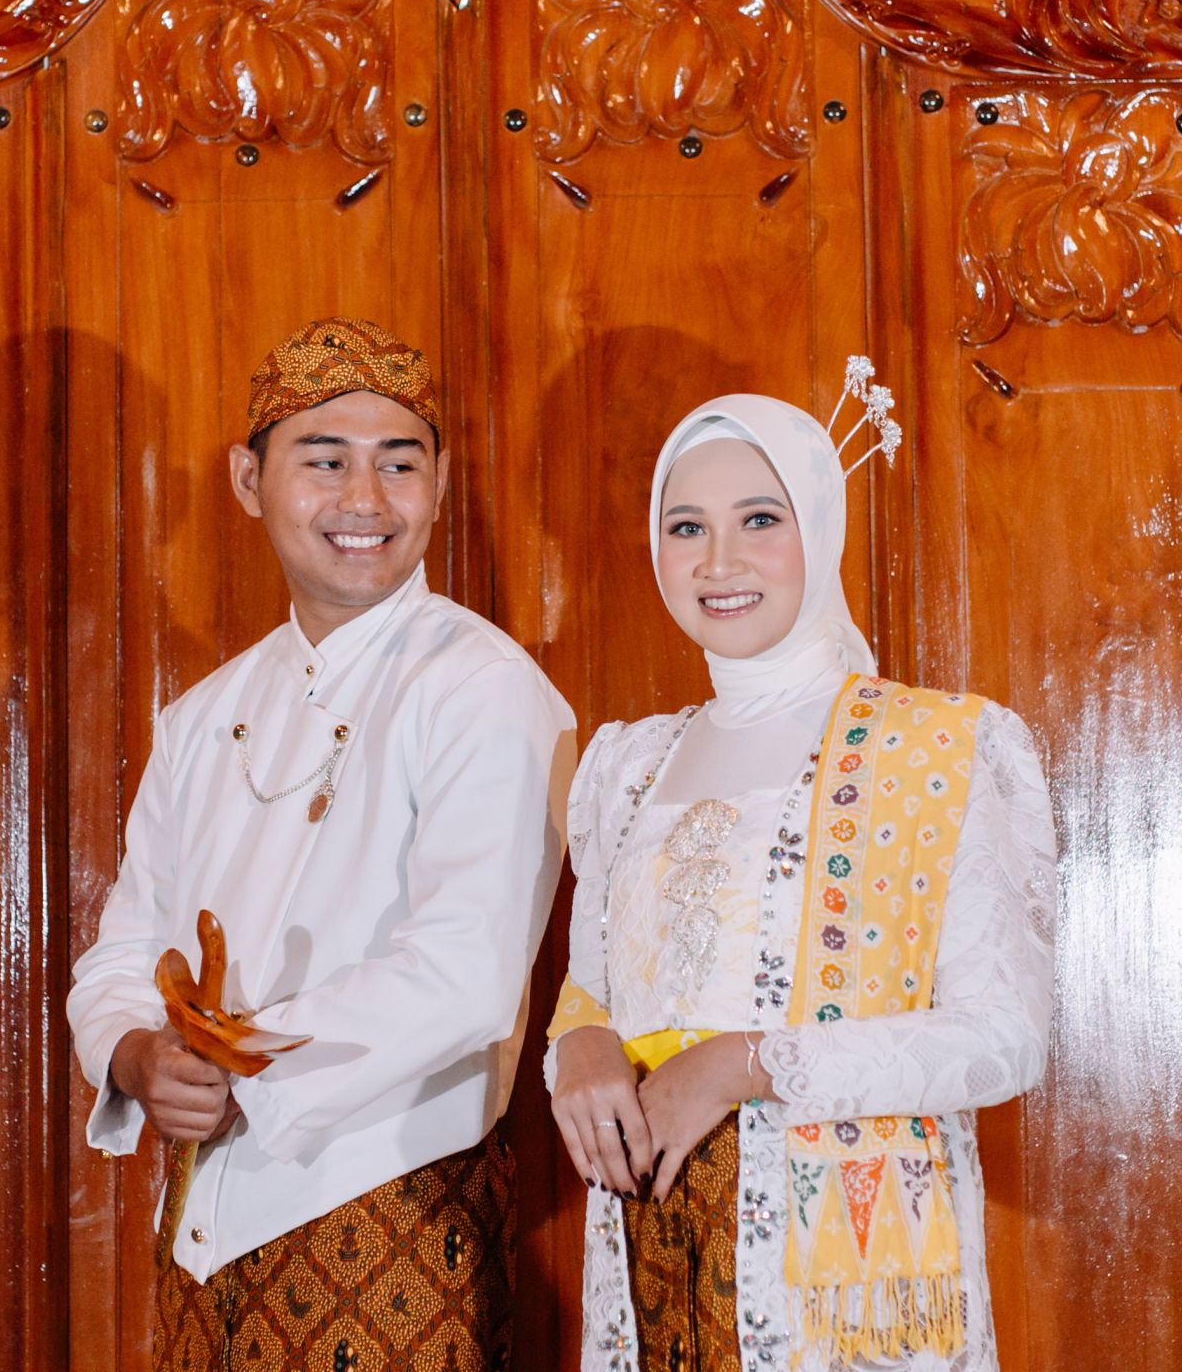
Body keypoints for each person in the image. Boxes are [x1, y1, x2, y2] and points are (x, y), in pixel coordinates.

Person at [68, 317, 573, 1371]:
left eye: (401, 463)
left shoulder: (481, 687)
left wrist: (234, 1063)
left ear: (439, 485)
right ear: (248, 481)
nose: (365, 499)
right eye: (325, 460)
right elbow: (128, 946)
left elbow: (469, 973)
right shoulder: (204, 714)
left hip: (393, 1213)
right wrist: (135, 1055)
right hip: (203, 1227)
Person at [547, 387, 1058, 1372]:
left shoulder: (934, 747)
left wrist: (745, 1064)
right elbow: (593, 987)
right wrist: (577, 1047)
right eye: (686, 526)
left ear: (820, 528)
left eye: (759, 520)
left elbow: (1005, 1038)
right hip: (654, 1266)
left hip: (843, 1289)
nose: (719, 561)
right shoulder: (627, 767)